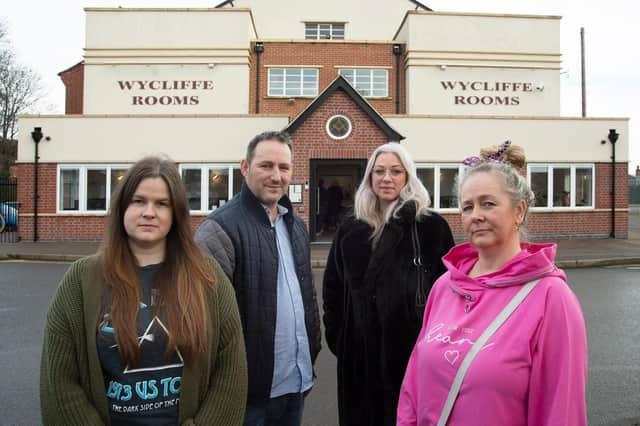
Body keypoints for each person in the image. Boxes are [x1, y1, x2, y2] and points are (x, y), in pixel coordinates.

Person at [40, 156, 248, 425]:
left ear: (176, 214)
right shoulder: (81, 279)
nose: (149, 212)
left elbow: (231, 372)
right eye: (139, 201)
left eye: (162, 204)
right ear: (122, 208)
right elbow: (59, 382)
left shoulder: (208, 276)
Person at [397, 142, 588, 425]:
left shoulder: (551, 297)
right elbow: (413, 386)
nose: (476, 215)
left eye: (488, 203)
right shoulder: (444, 286)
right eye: (466, 206)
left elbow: (562, 409)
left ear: (519, 211)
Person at [322, 142, 455, 426]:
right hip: (358, 357)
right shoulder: (351, 228)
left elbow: (449, 292)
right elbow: (332, 288)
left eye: (396, 171)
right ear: (369, 177)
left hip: (411, 354)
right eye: (379, 171)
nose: (387, 178)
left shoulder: (430, 227)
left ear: (408, 176)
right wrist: (340, 336)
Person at [195, 131, 322, 426]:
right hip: (247, 397)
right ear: (245, 167)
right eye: (266, 166)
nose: (276, 176)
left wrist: (311, 354)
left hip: (296, 384)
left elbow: (307, 300)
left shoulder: (296, 226)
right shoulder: (218, 230)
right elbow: (205, 324)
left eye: (284, 167)